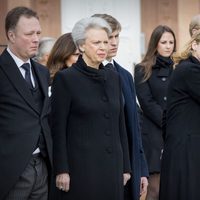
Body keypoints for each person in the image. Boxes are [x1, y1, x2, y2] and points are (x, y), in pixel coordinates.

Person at [50, 17, 131, 200]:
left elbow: (121, 126)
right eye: (96, 42)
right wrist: (62, 169)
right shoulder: (66, 79)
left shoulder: (114, 78)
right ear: (81, 46)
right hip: (82, 169)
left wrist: (126, 166)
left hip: (113, 167)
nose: (103, 47)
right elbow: (58, 128)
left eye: (105, 41)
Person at [92, 14, 149, 200]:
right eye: (109, 37)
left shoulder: (125, 76)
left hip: (128, 166)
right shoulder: (83, 75)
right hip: (95, 167)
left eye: (117, 36)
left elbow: (135, 126)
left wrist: (142, 170)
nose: (114, 42)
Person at [0, 6, 52, 200]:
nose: (36, 39)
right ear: (11, 36)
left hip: (43, 166)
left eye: (38, 33)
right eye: (29, 33)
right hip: (10, 170)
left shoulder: (42, 72)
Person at [134, 25, 176, 200]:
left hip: (177, 134)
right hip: (154, 135)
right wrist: (170, 123)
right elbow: (147, 102)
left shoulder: (180, 68)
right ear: (155, 44)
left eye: (171, 42)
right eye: (163, 42)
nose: (168, 46)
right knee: (154, 191)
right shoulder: (142, 69)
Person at [159, 31, 200, 200]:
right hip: (186, 150)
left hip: (184, 148)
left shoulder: (186, 68)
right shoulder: (190, 70)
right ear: (195, 45)